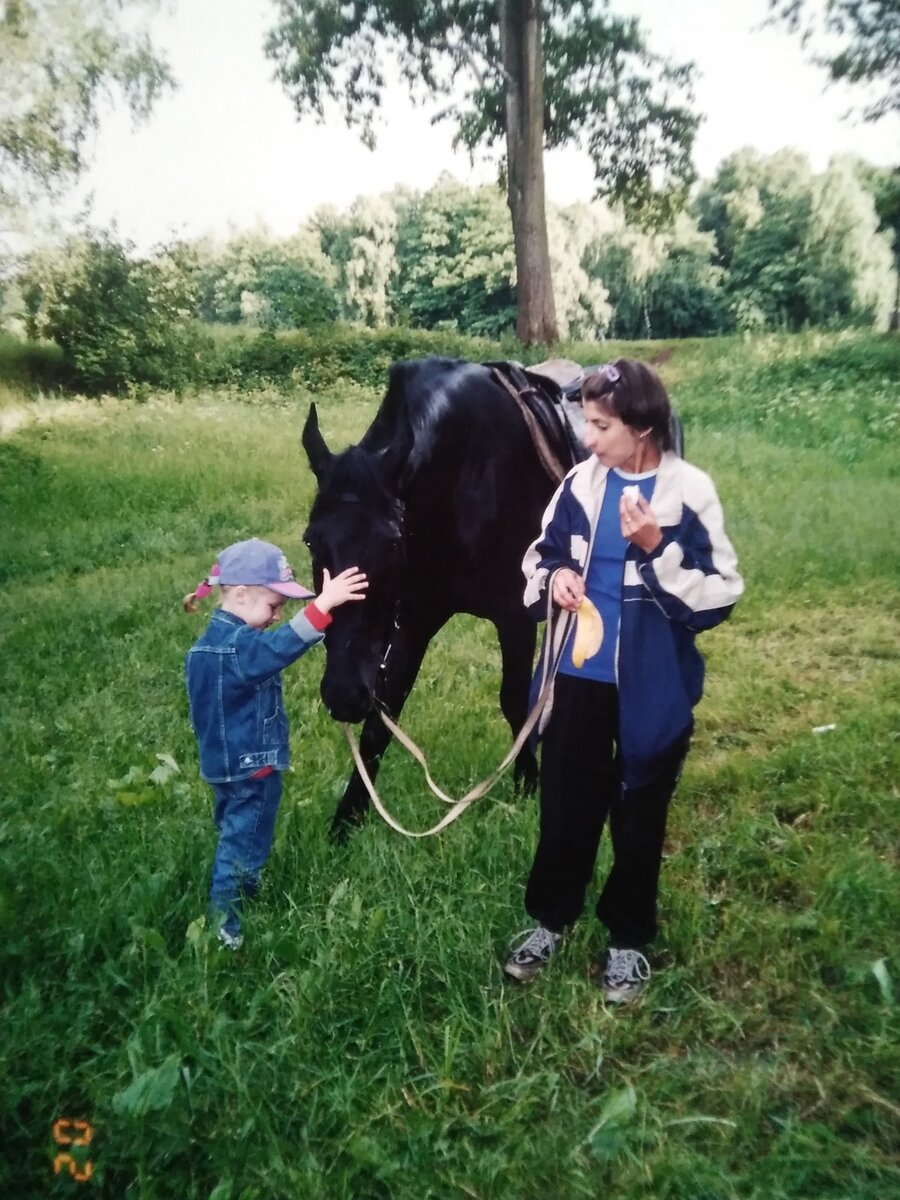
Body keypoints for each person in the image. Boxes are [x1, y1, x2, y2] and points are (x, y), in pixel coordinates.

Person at [503, 359, 743, 1003]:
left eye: (601, 425)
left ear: (641, 427)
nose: (587, 438)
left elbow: (720, 596)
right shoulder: (581, 484)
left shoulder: (689, 491)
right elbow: (540, 555)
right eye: (586, 421)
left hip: (651, 686)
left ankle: (628, 940)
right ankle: (551, 920)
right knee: (564, 808)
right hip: (576, 678)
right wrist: (554, 578)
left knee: (639, 817)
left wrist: (658, 546)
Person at [183, 537, 367, 949]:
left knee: (233, 832)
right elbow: (281, 647)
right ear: (242, 594)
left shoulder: (203, 649)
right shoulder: (239, 649)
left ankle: (236, 894)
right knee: (244, 848)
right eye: (274, 605)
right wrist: (324, 606)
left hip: (222, 767)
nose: (276, 616)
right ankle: (225, 929)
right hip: (254, 769)